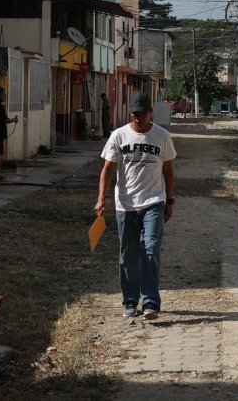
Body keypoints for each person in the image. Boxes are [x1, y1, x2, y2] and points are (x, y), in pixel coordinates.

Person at [94, 92, 176, 321]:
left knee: (150, 249)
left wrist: (169, 200)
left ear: (151, 113)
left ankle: (150, 302)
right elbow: (108, 169)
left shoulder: (162, 136)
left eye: (142, 114)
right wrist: (102, 198)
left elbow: (168, 170)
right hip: (126, 204)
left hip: (153, 202)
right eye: (134, 114)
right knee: (128, 254)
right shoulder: (119, 136)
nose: (138, 118)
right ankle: (130, 300)